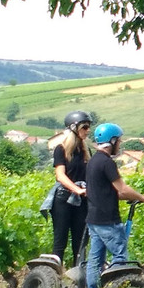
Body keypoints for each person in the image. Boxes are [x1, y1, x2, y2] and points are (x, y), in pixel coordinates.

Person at [85, 123, 144, 288]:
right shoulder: (107, 163)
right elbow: (122, 189)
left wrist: (131, 197)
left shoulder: (93, 162)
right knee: (120, 258)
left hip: (93, 219)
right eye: (119, 141)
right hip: (108, 221)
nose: (120, 144)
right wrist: (143, 197)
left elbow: (105, 192)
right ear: (112, 140)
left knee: (95, 259)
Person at [51, 110, 92, 265]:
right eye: (85, 127)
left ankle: (79, 279)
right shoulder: (61, 149)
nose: (88, 131)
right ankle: (53, 278)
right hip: (63, 198)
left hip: (82, 200)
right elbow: (60, 175)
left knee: (80, 243)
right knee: (60, 242)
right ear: (74, 127)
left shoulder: (86, 151)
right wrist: (77, 190)